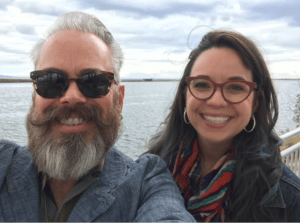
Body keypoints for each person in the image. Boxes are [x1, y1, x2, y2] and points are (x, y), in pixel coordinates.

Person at [0, 11, 196, 223]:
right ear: (34, 96)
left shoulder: (147, 183)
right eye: (50, 81)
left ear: (118, 101)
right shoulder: (4, 163)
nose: (72, 97)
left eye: (94, 82)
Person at [146, 30, 300, 222]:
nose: (216, 101)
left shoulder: (289, 198)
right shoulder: (151, 170)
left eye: (235, 87)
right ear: (186, 94)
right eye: (202, 84)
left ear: (255, 102)